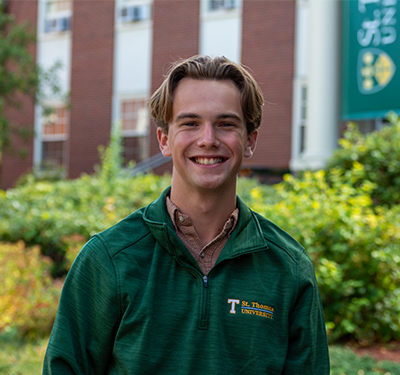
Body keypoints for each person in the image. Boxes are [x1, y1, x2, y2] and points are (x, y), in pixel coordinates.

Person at [43, 55, 330, 374]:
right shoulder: (108, 259)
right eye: (190, 123)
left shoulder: (289, 269)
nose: (208, 140)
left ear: (250, 141)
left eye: (226, 124)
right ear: (165, 140)